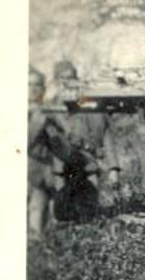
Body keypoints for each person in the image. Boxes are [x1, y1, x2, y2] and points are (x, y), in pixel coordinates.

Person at [46, 59, 121, 222]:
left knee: (89, 213)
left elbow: (106, 136)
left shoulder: (91, 103)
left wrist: (113, 168)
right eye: (63, 78)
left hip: (88, 166)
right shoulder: (50, 108)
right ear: (56, 81)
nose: (68, 82)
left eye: (71, 77)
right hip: (62, 169)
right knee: (62, 215)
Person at [27, 67, 70, 237]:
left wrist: (54, 132)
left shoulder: (49, 113)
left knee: (38, 231)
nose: (33, 89)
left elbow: (65, 153)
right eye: (29, 84)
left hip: (41, 180)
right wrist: (37, 124)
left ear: (43, 89)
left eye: (37, 85)